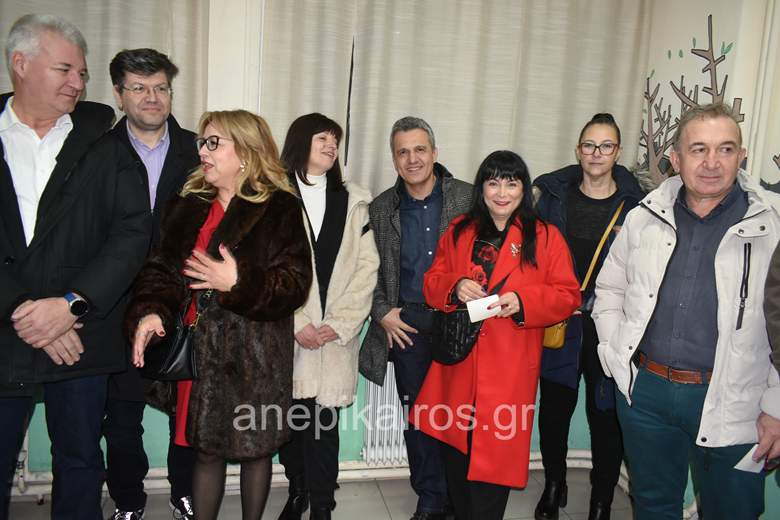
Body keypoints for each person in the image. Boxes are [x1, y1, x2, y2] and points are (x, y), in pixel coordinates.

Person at [593, 102, 780, 520]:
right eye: (698, 149)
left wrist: (777, 407)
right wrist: (613, 352)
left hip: (737, 401)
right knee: (653, 506)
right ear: (676, 159)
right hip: (646, 395)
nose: (712, 163)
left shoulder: (772, 224)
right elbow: (610, 287)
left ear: (741, 156)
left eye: (725, 149)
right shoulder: (644, 216)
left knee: (731, 511)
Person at [0, 14, 152, 520]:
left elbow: (131, 234)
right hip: (5, 331)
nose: (77, 83)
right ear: (21, 64)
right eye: (64, 69)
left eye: (82, 73)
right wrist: (24, 311)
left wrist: (70, 306)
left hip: (81, 335)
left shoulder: (106, 143)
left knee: (82, 462)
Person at [125, 110, 312, 520]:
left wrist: (238, 281)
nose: (203, 152)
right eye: (202, 143)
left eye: (214, 143)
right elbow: (161, 270)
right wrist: (153, 311)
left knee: (256, 452)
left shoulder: (279, 205)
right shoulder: (188, 203)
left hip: (257, 355)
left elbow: (296, 283)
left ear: (245, 151)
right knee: (206, 451)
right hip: (201, 352)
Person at [412, 150, 581, 520]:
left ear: (523, 188)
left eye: (511, 183)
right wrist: (455, 285)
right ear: (482, 188)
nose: (502, 193)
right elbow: (431, 283)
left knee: (495, 460)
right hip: (459, 363)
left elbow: (568, 295)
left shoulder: (545, 237)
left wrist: (523, 301)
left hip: (509, 366)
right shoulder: (461, 230)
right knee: (457, 454)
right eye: (493, 183)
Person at [359, 116, 472, 520]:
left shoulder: (467, 198)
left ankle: (460, 497)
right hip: (407, 328)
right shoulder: (380, 209)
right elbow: (365, 271)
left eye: (420, 149)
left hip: (459, 324)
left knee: (461, 416)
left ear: (435, 153)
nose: (412, 159)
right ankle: (431, 498)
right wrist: (381, 313)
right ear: (394, 159)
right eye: (403, 152)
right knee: (420, 420)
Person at [532, 113, 643, 520]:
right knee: (554, 411)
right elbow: (535, 258)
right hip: (560, 321)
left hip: (609, 326)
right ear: (578, 150)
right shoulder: (552, 199)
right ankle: (554, 486)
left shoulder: (636, 207)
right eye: (590, 145)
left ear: (618, 152)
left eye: (606, 146)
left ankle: (601, 501)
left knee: (605, 417)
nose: (597, 153)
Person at [105, 47, 199, 520]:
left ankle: (185, 492)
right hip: (115, 304)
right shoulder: (99, 153)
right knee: (122, 417)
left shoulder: (199, 151)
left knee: (187, 415)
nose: (152, 97)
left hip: (183, 302)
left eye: (161, 87)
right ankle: (128, 500)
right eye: (139, 88)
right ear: (118, 94)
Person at [276, 113, 379, 520]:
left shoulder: (353, 200)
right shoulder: (275, 196)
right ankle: (297, 491)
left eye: (335, 140)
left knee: (323, 423)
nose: (331, 146)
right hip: (290, 332)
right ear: (300, 141)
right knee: (290, 421)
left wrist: (338, 324)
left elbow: (367, 268)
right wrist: (298, 323)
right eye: (322, 138)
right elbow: (266, 267)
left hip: (335, 334)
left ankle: (322, 504)